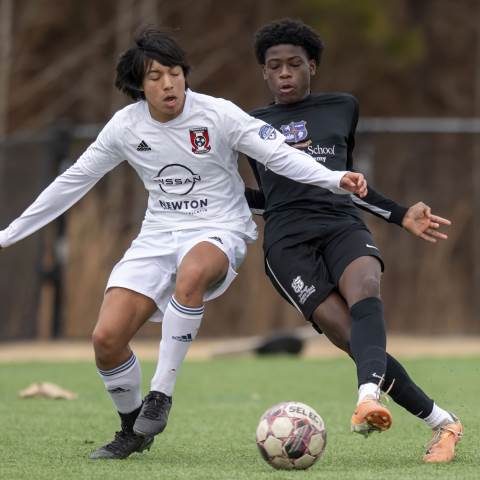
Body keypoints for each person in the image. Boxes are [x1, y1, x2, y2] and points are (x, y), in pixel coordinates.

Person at [0, 28, 367, 460]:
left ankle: (161, 394)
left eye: (174, 73)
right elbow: (73, 182)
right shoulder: (125, 126)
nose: (168, 84)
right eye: (155, 77)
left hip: (221, 228)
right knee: (106, 339)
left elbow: (280, 155)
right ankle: (132, 429)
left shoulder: (218, 114)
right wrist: (7, 236)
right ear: (139, 85)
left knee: (192, 272)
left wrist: (332, 177)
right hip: (157, 235)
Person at [245, 18, 463, 463]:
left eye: (294, 64)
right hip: (287, 243)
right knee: (351, 338)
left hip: (340, 223)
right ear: (264, 73)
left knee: (365, 286)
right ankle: (444, 422)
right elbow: (267, 197)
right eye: (275, 67)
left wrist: (401, 214)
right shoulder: (248, 124)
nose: (284, 73)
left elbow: (347, 182)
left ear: (313, 66)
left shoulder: (343, 107)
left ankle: (368, 399)